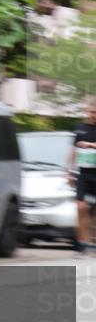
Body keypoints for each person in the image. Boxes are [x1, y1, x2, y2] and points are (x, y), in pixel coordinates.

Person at [68, 96, 96, 255]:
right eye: (91, 112)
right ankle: (81, 245)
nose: (93, 115)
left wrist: (90, 145)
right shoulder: (80, 128)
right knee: (80, 207)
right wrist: (69, 171)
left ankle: (92, 242)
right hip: (84, 173)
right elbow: (73, 150)